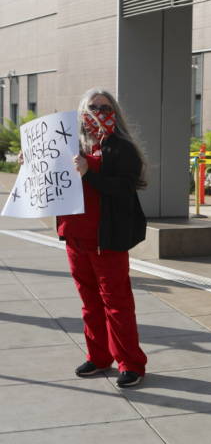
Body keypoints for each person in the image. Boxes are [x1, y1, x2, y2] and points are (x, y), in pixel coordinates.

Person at [57, 88, 148, 388]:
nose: (99, 112)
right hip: (76, 238)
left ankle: (130, 363)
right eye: (93, 106)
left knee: (117, 304)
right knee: (89, 303)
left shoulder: (121, 148)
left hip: (106, 240)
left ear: (115, 113)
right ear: (82, 111)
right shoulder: (69, 145)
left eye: (106, 107)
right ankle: (99, 357)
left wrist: (89, 174)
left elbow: (124, 189)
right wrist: (30, 162)